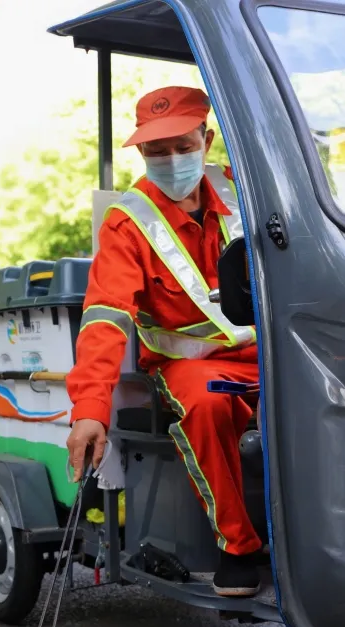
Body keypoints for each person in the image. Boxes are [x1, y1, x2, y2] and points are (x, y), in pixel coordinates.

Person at [66, 86, 262, 597]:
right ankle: (238, 547)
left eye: (182, 145)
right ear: (141, 153)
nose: (171, 159)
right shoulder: (127, 224)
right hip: (196, 369)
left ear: (207, 139)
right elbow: (105, 317)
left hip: (271, 356)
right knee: (206, 405)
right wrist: (90, 409)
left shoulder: (245, 190)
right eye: (156, 150)